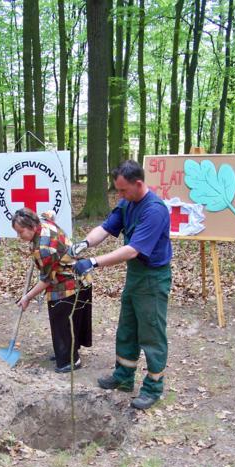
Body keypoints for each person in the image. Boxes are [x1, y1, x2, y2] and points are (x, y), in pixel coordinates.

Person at [71, 159, 172, 410]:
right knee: (127, 327)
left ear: (139, 183)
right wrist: (84, 244)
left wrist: (93, 262)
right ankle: (124, 376)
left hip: (153, 277)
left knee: (151, 332)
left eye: (123, 190)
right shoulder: (127, 202)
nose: (120, 195)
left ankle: (153, 387)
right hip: (135, 277)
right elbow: (105, 229)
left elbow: (132, 250)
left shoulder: (155, 210)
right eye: (118, 190)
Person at [12, 208, 92, 373]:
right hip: (73, 278)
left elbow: (46, 280)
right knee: (64, 322)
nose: (19, 236)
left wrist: (27, 297)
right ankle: (65, 351)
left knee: (62, 321)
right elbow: (50, 213)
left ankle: (71, 360)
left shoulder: (44, 248)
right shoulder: (42, 221)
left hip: (69, 283)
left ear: (33, 227)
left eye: (21, 232)